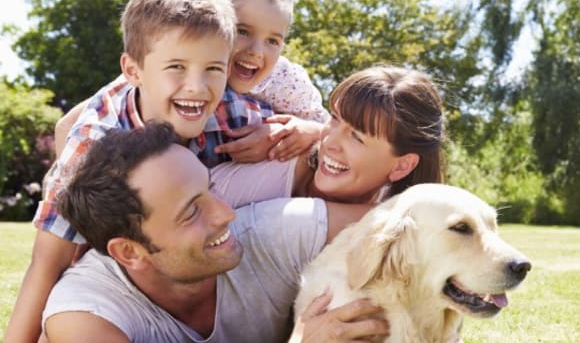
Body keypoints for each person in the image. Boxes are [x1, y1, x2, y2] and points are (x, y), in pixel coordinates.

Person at [4, 0, 262, 341]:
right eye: (177, 67)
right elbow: (46, 264)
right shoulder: (93, 145)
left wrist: (305, 134)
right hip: (125, 263)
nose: (198, 86)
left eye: (214, 68)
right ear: (133, 70)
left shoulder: (232, 107)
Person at [41, 122, 388, 342]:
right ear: (130, 252)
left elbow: (408, 222)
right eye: (192, 211)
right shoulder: (85, 314)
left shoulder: (269, 231)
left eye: (211, 189)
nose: (225, 214)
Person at [53, 0, 328, 163]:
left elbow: (330, 129)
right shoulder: (154, 76)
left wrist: (307, 132)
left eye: (273, 40)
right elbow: (67, 126)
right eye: (242, 32)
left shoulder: (284, 80)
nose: (257, 51)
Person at [209, 65, 447, 209]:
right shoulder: (277, 163)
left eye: (357, 137)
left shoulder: (403, 231)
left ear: (402, 165)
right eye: (334, 118)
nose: (329, 142)